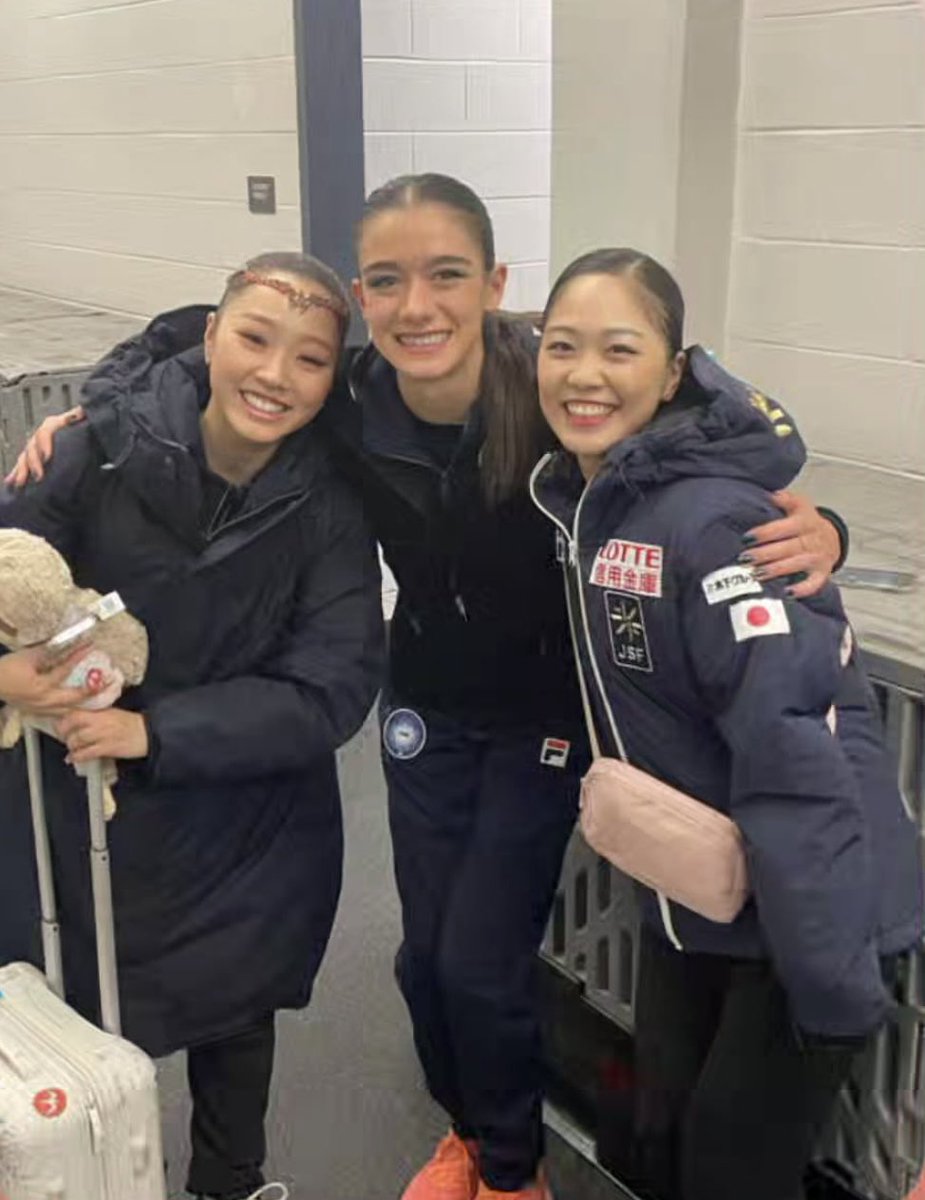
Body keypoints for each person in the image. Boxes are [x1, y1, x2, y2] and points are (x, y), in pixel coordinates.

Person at [8, 174, 850, 1200]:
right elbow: (193, 333)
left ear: (494, 282)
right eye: (388, 281)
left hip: (540, 721)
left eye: (447, 275)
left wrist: (819, 519)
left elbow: (699, 412)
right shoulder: (348, 395)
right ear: (363, 299)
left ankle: (509, 1172)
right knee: (420, 963)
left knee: (476, 964)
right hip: (424, 709)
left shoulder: (549, 388)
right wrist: (95, 406)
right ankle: (473, 1132)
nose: (419, 306)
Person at [530, 247, 923, 1200]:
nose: (584, 374)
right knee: (664, 1141)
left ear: (672, 372)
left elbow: (796, 747)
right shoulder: (594, 503)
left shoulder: (708, 526)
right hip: (701, 898)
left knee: (727, 1172)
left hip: (802, 916)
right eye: (561, 347)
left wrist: (825, 980)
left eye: (618, 349)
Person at [0, 252, 385, 1200]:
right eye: (254, 338)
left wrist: (156, 732)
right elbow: (13, 571)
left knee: (235, 1016)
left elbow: (332, 685)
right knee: (62, 1014)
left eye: (308, 359)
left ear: (332, 379)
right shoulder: (92, 450)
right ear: (211, 335)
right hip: (70, 803)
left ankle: (231, 1181)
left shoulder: (333, 505)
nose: (272, 374)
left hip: (240, 817)